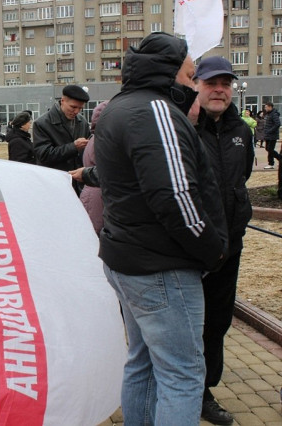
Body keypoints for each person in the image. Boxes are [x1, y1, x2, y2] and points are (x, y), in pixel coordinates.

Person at [95, 32, 229, 425]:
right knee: (182, 375)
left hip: (132, 259)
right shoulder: (155, 111)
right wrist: (214, 250)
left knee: (143, 362)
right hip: (161, 267)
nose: (193, 81)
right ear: (170, 71)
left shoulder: (122, 106)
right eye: (190, 73)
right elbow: (174, 196)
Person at [190, 56, 254, 425]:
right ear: (196, 85)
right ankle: (188, 389)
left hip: (231, 246)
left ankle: (205, 389)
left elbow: (241, 178)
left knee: (217, 322)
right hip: (194, 249)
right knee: (190, 326)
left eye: (226, 84)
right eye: (211, 83)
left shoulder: (241, 130)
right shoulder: (185, 127)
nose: (220, 90)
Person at [32, 84, 90, 195]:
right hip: (53, 185)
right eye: (73, 107)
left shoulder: (82, 122)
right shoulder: (42, 123)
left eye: (80, 108)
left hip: (78, 186)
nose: (76, 111)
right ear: (62, 101)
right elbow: (44, 156)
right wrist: (73, 147)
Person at [69, 101, 109, 235]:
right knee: (95, 234)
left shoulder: (95, 138)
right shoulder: (103, 140)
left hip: (92, 192)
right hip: (97, 195)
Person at [263, 101, 281, 169]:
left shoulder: (274, 114)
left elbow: (277, 124)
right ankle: (272, 162)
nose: (265, 108)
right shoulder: (268, 114)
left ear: (270, 107)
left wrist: (270, 131)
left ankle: (272, 162)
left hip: (273, 135)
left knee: (270, 149)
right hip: (268, 135)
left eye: (266, 107)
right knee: (268, 149)